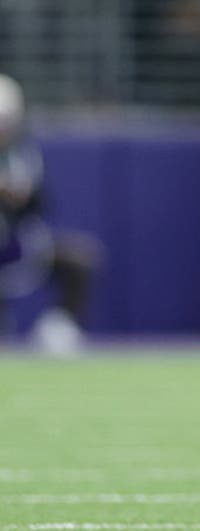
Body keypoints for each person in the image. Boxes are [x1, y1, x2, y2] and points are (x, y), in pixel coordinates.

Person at [0, 74, 99, 355]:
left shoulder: (24, 154)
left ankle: (59, 326)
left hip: (20, 247)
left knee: (79, 258)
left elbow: (38, 203)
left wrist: (18, 196)